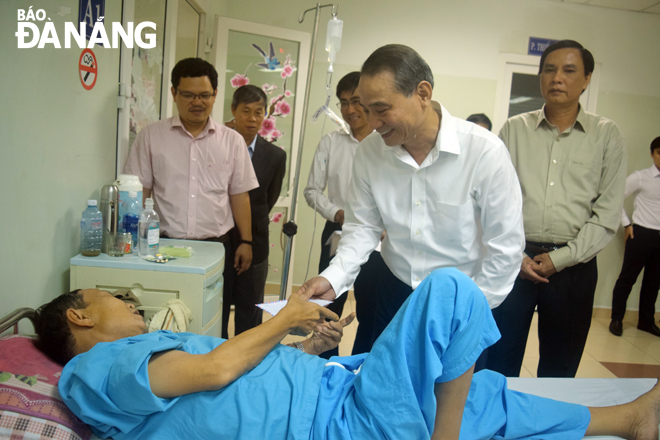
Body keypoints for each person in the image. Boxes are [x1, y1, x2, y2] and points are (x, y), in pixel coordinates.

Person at [34, 269, 660, 440]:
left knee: (476, 397)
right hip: (337, 422)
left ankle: (628, 420)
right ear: (80, 316)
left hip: (331, 391)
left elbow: (224, 384)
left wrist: (305, 347)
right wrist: (283, 320)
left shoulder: (135, 354)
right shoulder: (97, 367)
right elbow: (217, 369)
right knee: (451, 292)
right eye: (110, 295)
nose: (127, 300)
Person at [300, 44, 525, 354]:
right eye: (367, 110)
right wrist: (333, 277)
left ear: (422, 93)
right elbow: (362, 229)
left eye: (381, 108)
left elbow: (506, 246)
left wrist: (475, 309)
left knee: (453, 398)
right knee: (389, 389)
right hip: (396, 291)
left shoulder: (483, 152)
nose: (373, 122)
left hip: (463, 299)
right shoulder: (370, 154)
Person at [487, 40, 627, 378]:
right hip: (513, 264)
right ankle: (493, 426)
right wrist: (516, 254)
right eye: (549, 69)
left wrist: (559, 259)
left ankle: (547, 427)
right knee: (497, 361)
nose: (557, 78)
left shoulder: (607, 136)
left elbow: (606, 214)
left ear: (587, 78)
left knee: (560, 368)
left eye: (568, 70)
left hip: (573, 269)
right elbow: (493, 201)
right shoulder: (513, 130)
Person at [123, 58, 259, 339]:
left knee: (212, 321)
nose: (197, 102)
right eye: (188, 94)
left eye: (204, 95)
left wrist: (245, 241)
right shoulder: (151, 137)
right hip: (162, 246)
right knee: (163, 320)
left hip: (216, 246)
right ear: (174, 93)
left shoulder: (232, 141)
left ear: (215, 95)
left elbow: (239, 195)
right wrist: (133, 240)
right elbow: (140, 192)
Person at [303, 71, 385, 357]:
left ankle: (362, 366)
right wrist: (336, 213)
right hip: (338, 231)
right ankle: (324, 367)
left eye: (356, 102)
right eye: (343, 103)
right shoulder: (331, 143)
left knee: (371, 309)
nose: (350, 110)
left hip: (381, 240)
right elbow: (312, 190)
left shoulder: (387, 143)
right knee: (327, 308)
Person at [227, 85, 286, 335]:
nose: (252, 119)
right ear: (234, 111)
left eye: (259, 112)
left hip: (256, 244)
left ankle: (246, 365)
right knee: (215, 308)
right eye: (246, 111)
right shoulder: (218, 146)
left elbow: (268, 199)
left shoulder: (275, 156)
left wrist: (249, 232)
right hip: (220, 240)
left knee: (250, 312)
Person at [609, 136, 660, 338]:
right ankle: (616, 319)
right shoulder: (640, 177)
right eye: (659, 153)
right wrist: (626, 224)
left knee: (653, 282)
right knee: (627, 279)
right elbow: (616, 197)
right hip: (640, 234)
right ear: (652, 154)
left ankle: (646, 322)